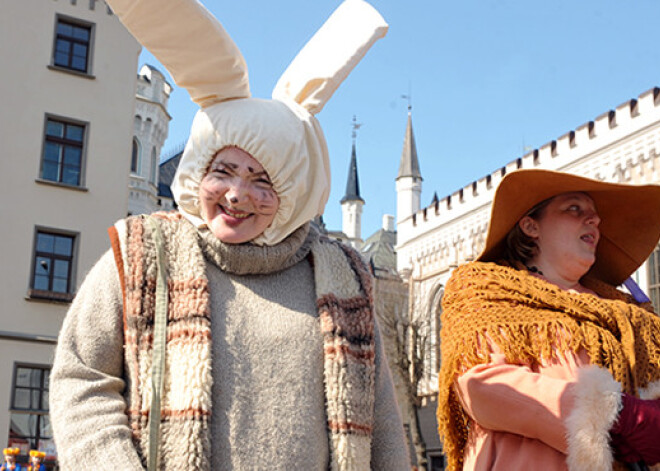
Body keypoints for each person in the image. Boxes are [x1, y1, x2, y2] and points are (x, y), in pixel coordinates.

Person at [50, 0, 409, 470]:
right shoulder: (144, 254)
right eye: (224, 171)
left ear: (293, 193)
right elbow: (83, 378)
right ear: (199, 172)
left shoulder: (342, 276)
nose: (238, 195)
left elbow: (379, 420)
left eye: (264, 181)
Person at [436, 169, 660, 471]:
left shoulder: (629, 315)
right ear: (531, 226)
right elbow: (481, 387)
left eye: (595, 216)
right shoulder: (485, 288)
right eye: (574, 208)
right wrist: (614, 413)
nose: (594, 220)